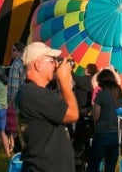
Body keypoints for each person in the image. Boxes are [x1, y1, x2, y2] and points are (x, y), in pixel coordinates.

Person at [17, 41, 78, 171]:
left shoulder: (33, 93)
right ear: (38, 65)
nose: (55, 64)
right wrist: (64, 81)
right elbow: (72, 114)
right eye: (52, 61)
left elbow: (62, 108)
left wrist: (63, 83)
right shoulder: (33, 94)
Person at [88, 68, 122, 172]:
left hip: (102, 133)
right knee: (110, 167)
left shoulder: (101, 94)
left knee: (93, 166)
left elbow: (96, 116)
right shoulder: (120, 94)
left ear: (102, 81)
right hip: (116, 134)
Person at [6, 41, 25, 153]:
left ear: (19, 52)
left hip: (16, 103)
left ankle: (17, 153)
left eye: (13, 50)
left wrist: (10, 101)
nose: (11, 52)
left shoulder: (15, 65)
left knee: (15, 129)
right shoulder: (25, 64)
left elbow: (13, 86)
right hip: (24, 100)